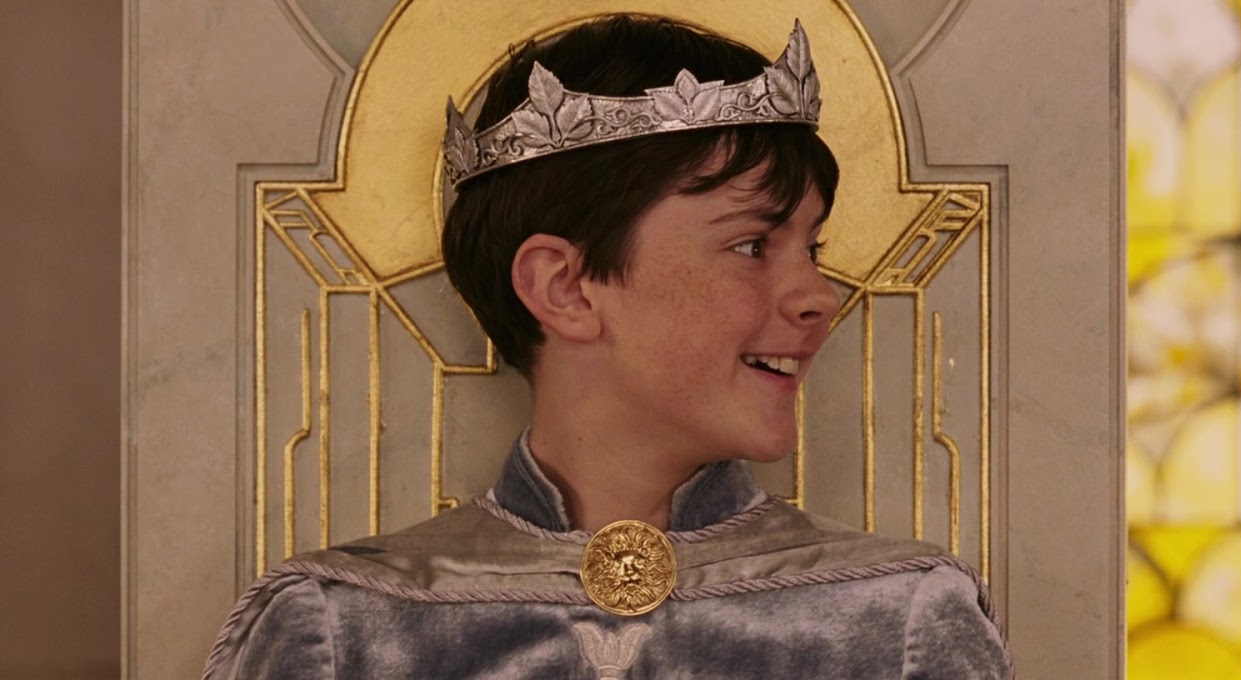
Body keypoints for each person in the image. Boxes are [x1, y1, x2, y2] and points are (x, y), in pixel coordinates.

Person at [204, 14, 1011, 679]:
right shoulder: (344, 626)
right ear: (566, 287)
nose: (818, 297)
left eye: (813, 249)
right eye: (752, 245)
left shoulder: (898, 620)